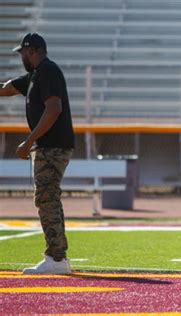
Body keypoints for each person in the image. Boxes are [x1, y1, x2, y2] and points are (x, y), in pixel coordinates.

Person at [0, 33, 75, 274]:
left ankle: (56, 258)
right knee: (48, 197)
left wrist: (29, 141)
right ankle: (58, 256)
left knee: (46, 198)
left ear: (33, 51)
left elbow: (53, 109)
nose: (21, 56)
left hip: (52, 146)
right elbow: (6, 89)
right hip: (48, 146)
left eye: (22, 52)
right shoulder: (34, 75)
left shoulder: (47, 71)